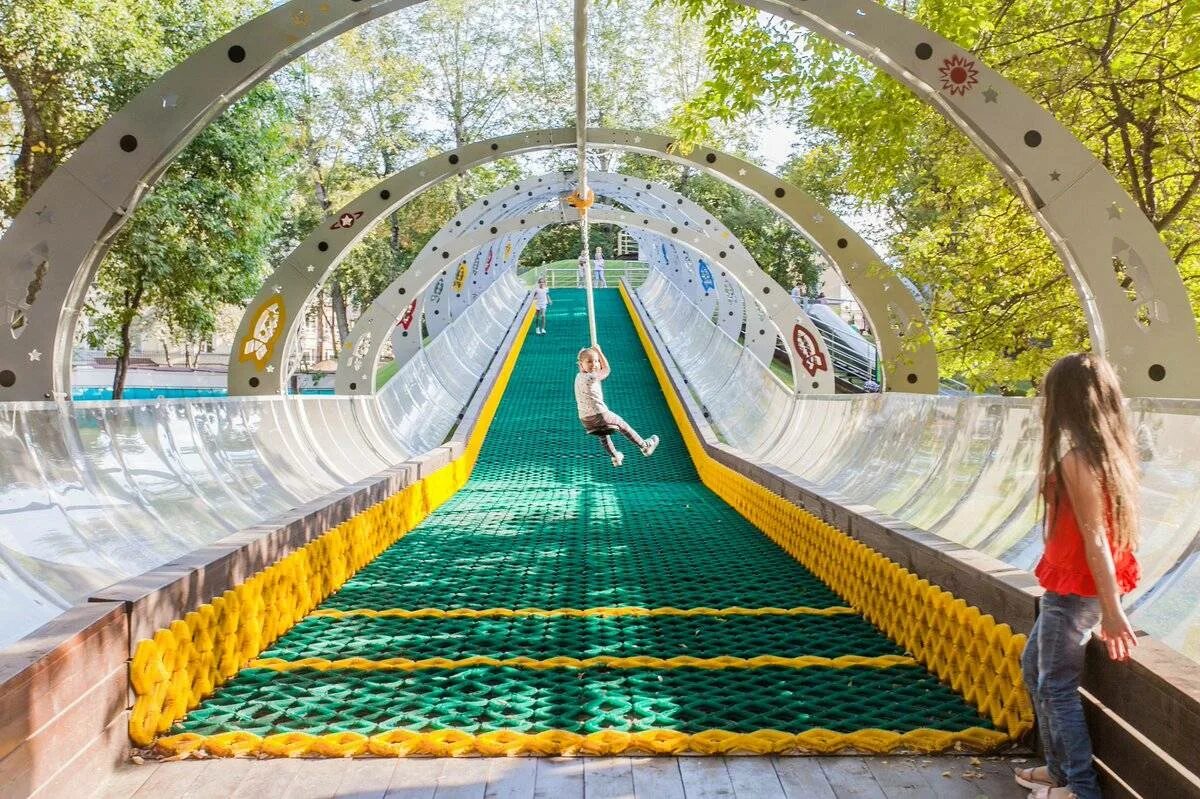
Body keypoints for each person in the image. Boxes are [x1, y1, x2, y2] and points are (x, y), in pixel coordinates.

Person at [1015, 353, 1141, 799]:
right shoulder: (1107, 452)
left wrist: (1112, 611)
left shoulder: (1078, 459)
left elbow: (1097, 539)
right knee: (1034, 669)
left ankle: (1080, 788)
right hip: (1074, 589)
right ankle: (1058, 771)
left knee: (1056, 686)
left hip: (1075, 592)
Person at [575, 345, 658, 467]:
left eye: (597, 361)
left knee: (603, 435)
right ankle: (645, 446)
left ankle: (615, 456)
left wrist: (593, 359)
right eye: (589, 361)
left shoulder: (579, 377)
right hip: (600, 415)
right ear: (581, 365)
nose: (595, 364)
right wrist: (599, 351)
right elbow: (607, 369)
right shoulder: (591, 377)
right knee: (623, 425)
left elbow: (596, 368)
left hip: (586, 420)